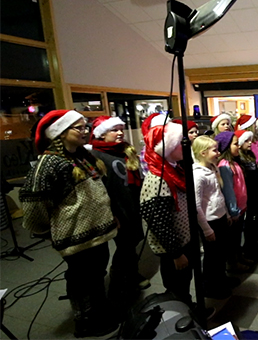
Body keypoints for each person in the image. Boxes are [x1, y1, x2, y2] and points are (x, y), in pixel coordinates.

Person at [20, 110, 119, 338]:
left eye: (86, 127)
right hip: (77, 237)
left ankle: (100, 313)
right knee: (82, 280)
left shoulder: (82, 156)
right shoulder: (49, 163)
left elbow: (96, 192)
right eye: (79, 128)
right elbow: (35, 207)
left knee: (96, 276)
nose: (85, 132)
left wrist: (109, 216)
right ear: (60, 133)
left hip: (97, 233)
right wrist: (49, 230)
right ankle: (86, 323)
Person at [88, 116, 149, 310]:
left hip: (130, 203)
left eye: (121, 129)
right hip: (115, 208)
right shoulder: (95, 156)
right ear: (102, 133)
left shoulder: (125, 151)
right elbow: (98, 188)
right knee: (125, 245)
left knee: (133, 240)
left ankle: (130, 273)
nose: (120, 133)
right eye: (114, 130)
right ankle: (121, 278)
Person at [140, 121, 197, 305]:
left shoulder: (174, 169)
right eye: (179, 142)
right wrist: (176, 254)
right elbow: (158, 223)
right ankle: (182, 317)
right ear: (168, 147)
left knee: (184, 283)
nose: (184, 146)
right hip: (173, 249)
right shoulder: (158, 179)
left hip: (183, 241)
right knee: (176, 286)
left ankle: (187, 309)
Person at [192, 136, 238, 299]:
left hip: (219, 218)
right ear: (203, 153)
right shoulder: (198, 175)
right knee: (212, 257)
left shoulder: (213, 168)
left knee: (220, 254)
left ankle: (221, 279)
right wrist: (206, 229)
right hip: (209, 222)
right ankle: (210, 287)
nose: (218, 153)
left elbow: (218, 194)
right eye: (214, 150)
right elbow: (196, 206)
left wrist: (225, 213)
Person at [215, 131, 250, 271]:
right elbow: (228, 191)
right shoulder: (224, 166)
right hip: (234, 210)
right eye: (235, 144)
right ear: (226, 147)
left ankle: (239, 257)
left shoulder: (234, 163)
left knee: (237, 237)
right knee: (233, 239)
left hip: (241, 208)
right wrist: (233, 210)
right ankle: (233, 263)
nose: (239, 146)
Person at [236, 129, 258, 261]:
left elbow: (256, 174)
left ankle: (252, 241)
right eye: (246, 141)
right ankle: (249, 247)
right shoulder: (239, 158)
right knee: (250, 222)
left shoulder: (250, 155)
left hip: (255, 193)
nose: (250, 143)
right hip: (247, 194)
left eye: (250, 140)